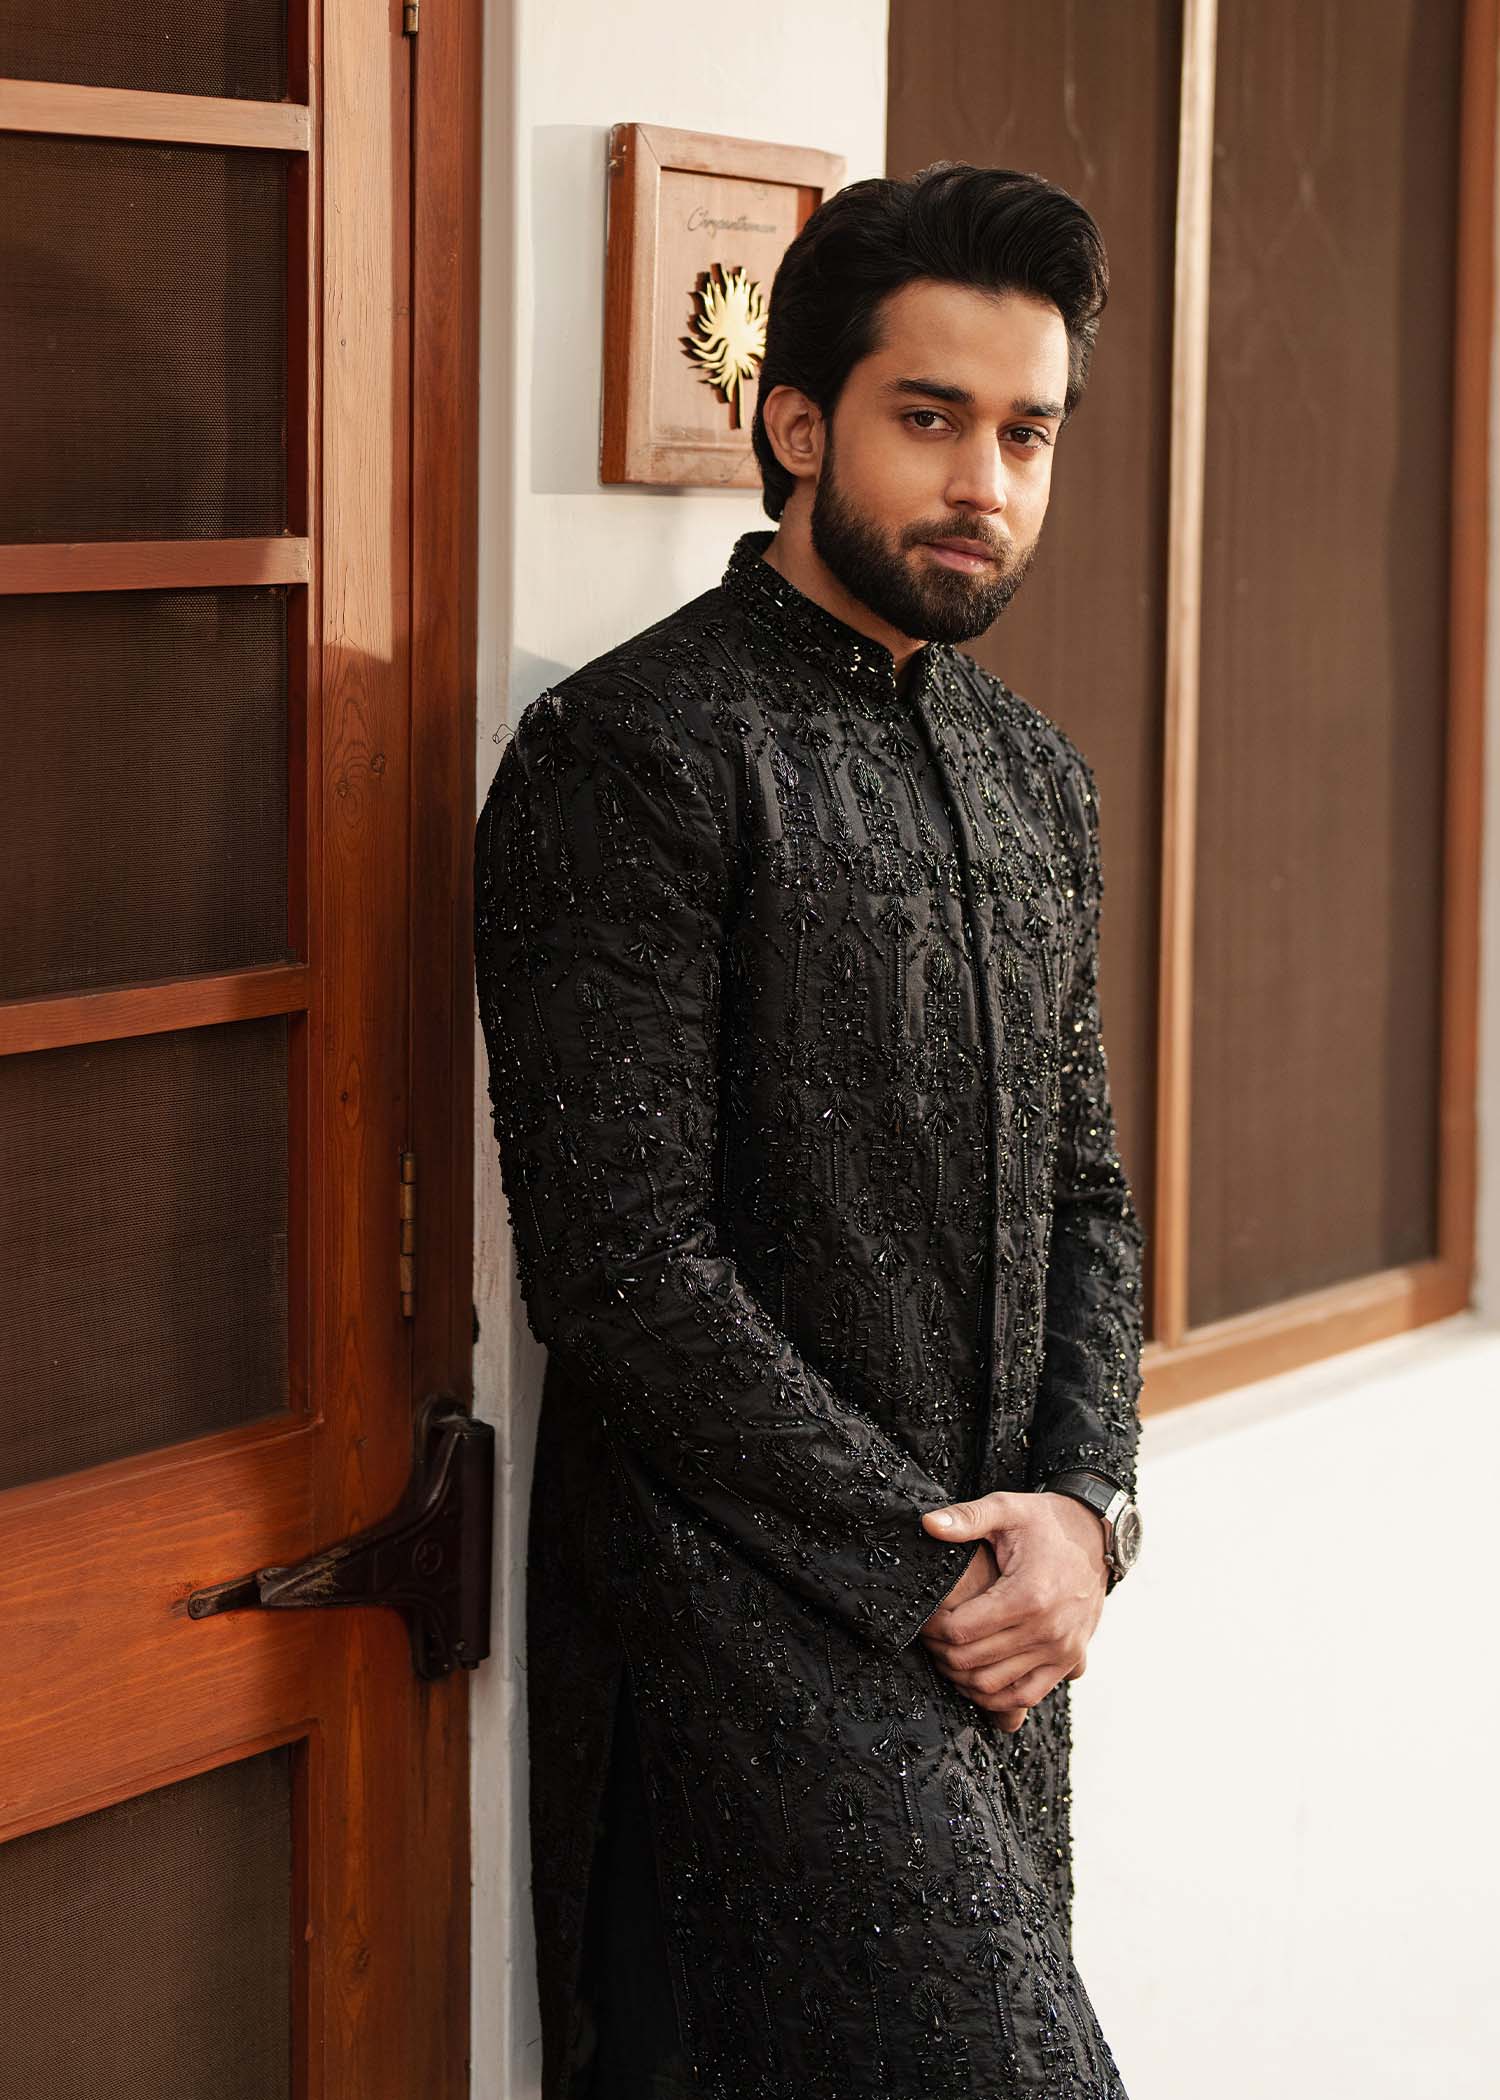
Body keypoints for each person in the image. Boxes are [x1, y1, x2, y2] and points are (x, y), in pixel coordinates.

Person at [474, 160, 1146, 2100]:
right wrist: (929, 1568)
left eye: (1026, 433)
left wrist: (1087, 1517)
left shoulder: (1036, 779)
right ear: (794, 425)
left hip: (998, 1644)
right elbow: (624, 1269)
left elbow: (1089, 1195)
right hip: (735, 1645)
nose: (984, 483)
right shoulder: (636, 751)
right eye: (929, 418)